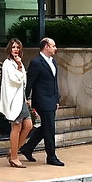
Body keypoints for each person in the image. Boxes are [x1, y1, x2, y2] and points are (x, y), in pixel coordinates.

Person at [19, 37, 65, 166]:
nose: (55, 48)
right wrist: (25, 98)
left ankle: (27, 148)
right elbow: (30, 82)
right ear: (46, 47)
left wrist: (57, 98)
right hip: (42, 100)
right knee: (49, 129)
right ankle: (51, 156)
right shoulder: (36, 62)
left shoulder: (53, 62)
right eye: (53, 46)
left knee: (46, 127)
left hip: (51, 99)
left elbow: (54, 82)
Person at [0, 37, 33, 169]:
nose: (16, 50)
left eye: (18, 47)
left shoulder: (19, 62)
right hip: (13, 100)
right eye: (13, 47)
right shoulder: (7, 64)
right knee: (16, 127)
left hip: (21, 99)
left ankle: (13, 151)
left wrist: (25, 97)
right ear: (9, 49)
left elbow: (23, 80)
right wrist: (19, 66)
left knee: (28, 125)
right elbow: (15, 80)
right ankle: (14, 157)